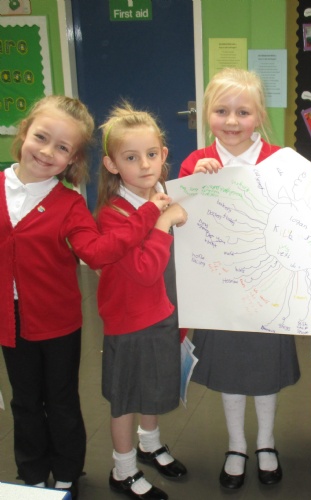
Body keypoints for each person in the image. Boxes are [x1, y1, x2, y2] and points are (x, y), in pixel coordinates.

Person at [0, 95, 171, 499]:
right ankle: (32, 475)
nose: (47, 152)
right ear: (24, 132)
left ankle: (66, 473)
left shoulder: (69, 203)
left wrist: (151, 214)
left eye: (62, 147)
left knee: (61, 399)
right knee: (24, 400)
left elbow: (96, 252)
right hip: (10, 319)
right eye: (42, 137)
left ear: (73, 159)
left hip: (58, 321)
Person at [179, 67, 300, 489]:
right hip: (218, 291)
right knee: (231, 371)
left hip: (267, 289)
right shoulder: (196, 162)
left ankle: (266, 442)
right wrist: (195, 181)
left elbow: (301, 210)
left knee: (265, 370)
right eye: (221, 111)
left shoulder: (280, 160)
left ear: (260, 115)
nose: (232, 121)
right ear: (207, 114)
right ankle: (236, 444)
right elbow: (182, 219)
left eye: (243, 112)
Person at [95, 102, 188, 500]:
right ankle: (123, 469)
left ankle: (149, 444)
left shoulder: (165, 193)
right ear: (112, 164)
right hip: (129, 322)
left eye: (152, 154)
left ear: (164, 155)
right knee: (126, 397)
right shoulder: (113, 214)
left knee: (152, 385)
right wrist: (163, 221)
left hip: (162, 313)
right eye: (131, 158)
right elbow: (147, 270)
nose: (145, 165)